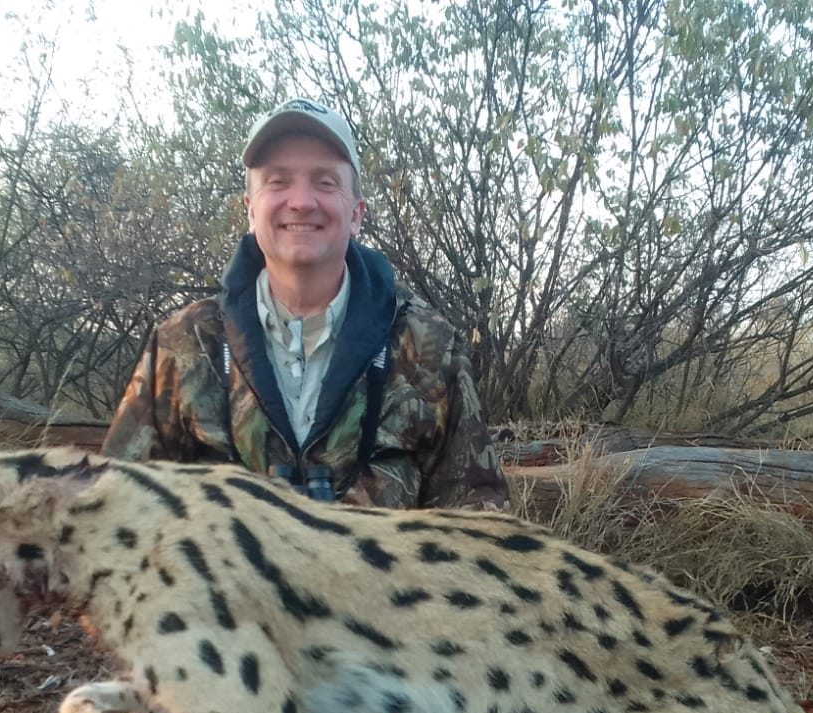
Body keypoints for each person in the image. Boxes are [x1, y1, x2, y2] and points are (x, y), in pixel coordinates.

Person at [101, 98, 509, 510]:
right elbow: (114, 513)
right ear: (250, 210)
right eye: (278, 181)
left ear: (356, 214)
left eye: (325, 182)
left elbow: (478, 518)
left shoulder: (429, 346)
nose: (301, 201)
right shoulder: (181, 344)